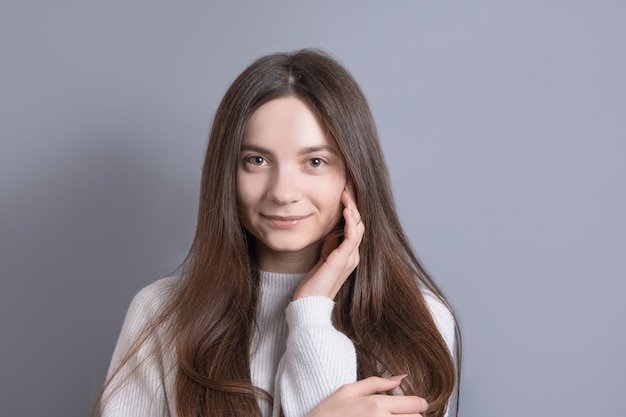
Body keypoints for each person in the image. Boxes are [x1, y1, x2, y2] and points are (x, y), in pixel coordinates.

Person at [94, 49, 460, 417]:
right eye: (257, 161)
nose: (283, 192)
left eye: (314, 162)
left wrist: (312, 313)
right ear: (227, 175)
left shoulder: (417, 321)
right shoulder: (162, 313)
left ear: (353, 174)